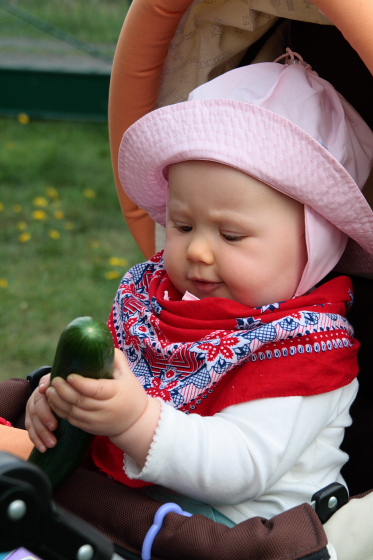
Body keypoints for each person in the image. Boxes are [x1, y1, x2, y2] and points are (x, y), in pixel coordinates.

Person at [25, 49, 373, 528]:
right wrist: (67, 406)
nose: (198, 252)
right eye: (183, 225)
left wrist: (133, 420)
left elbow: (240, 468)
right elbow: (123, 379)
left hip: (242, 534)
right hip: (137, 516)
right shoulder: (157, 304)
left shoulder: (305, 347)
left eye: (230, 236)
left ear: (315, 244)